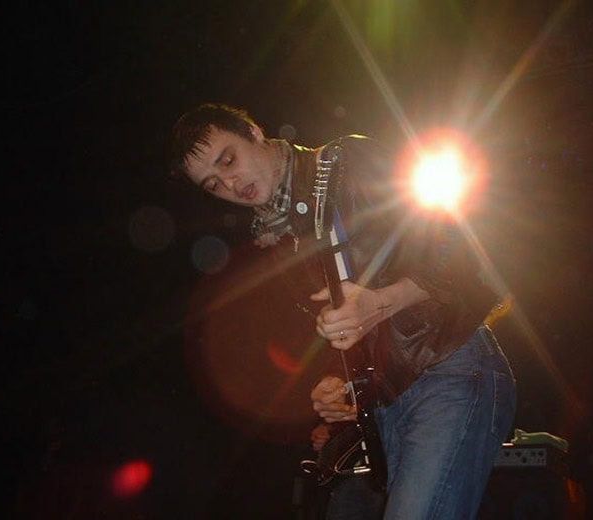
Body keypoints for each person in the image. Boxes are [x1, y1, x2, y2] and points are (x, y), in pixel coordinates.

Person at [169, 103, 517, 519]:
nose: (228, 181)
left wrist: (379, 301)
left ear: (252, 131)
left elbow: (463, 253)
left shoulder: (347, 163)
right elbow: (341, 333)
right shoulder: (278, 242)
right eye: (212, 183)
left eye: (228, 159)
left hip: (449, 368)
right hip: (384, 405)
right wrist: (334, 383)